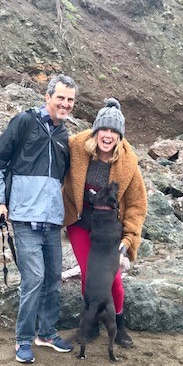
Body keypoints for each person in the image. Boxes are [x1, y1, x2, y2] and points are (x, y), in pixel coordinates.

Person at [0, 74, 78, 364]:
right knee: (34, 278)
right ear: (47, 97)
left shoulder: (64, 137)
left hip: (52, 220)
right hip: (24, 218)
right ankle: (23, 339)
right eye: (60, 97)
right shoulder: (24, 123)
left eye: (70, 100)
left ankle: (46, 333)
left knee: (52, 279)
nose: (64, 104)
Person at [62, 98, 147, 347]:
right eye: (104, 130)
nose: (107, 136)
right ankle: (89, 326)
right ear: (96, 131)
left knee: (113, 280)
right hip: (79, 223)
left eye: (114, 131)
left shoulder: (128, 163)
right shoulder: (77, 147)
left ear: (119, 136)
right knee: (89, 275)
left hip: (109, 231)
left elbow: (136, 205)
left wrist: (128, 239)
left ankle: (118, 324)